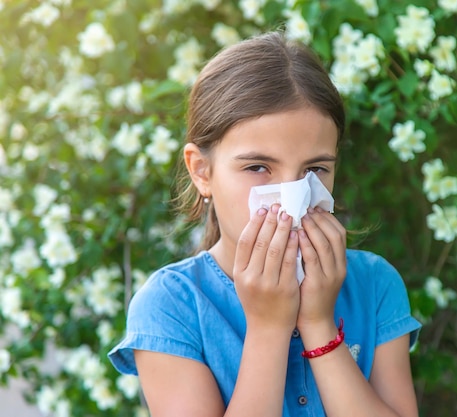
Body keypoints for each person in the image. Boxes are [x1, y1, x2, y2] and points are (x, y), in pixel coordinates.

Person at [108, 31, 421, 417]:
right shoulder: (170, 305)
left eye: (315, 169)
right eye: (258, 167)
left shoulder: (374, 285)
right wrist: (269, 329)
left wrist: (319, 323)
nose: (293, 200)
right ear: (202, 171)